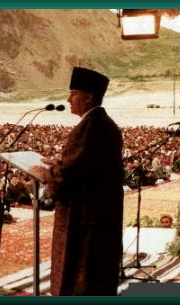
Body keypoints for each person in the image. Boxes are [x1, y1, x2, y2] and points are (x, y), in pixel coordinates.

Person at [32, 67, 124, 296]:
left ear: (88, 97)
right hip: (101, 216)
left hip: (84, 218)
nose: (68, 99)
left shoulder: (88, 126)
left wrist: (45, 173)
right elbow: (85, 166)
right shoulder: (104, 123)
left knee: (79, 276)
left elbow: (68, 176)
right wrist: (58, 163)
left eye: (73, 93)